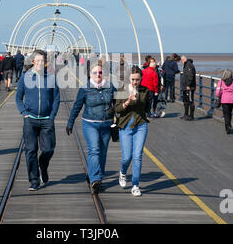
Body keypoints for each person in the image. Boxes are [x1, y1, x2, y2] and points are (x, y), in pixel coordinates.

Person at [66, 61, 117, 194]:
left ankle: (96, 175)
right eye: (95, 72)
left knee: (103, 152)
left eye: (100, 72)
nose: (98, 74)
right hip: (90, 124)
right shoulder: (85, 89)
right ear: (90, 74)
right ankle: (95, 179)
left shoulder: (110, 87)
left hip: (107, 124)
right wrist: (70, 122)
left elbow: (118, 104)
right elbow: (77, 106)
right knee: (94, 150)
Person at [16, 50, 60, 191]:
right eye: (38, 61)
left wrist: (52, 115)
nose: (41, 63)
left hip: (47, 119)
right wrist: (24, 112)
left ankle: (43, 166)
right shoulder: (25, 77)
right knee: (30, 150)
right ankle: (34, 180)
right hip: (30, 119)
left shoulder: (51, 78)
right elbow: (18, 97)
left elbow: (56, 98)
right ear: (33, 62)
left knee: (48, 149)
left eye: (43, 61)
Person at [115, 66, 150, 197]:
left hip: (140, 125)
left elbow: (146, 107)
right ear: (129, 78)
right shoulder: (122, 89)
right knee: (127, 156)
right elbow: (117, 109)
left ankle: (135, 185)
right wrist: (127, 102)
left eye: (138, 80)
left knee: (137, 156)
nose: (135, 82)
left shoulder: (145, 91)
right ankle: (122, 173)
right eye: (133, 79)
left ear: (141, 79)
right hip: (125, 126)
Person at [216, 69, 233, 134]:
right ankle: (229, 125)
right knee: (230, 112)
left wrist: (220, 96)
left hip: (224, 100)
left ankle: (227, 127)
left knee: (225, 114)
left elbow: (217, 92)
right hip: (232, 100)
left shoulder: (221, 82)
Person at [180, 55, 196, 121]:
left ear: (183, 60)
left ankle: (191, 116)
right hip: (185, 87)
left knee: (190, 101)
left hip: (189, 87)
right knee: (185, 101)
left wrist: (188, 85)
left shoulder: (189, 65)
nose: (181, 62)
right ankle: (186, 114)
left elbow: (190, 76)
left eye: (181, 61)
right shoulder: (186, 65)